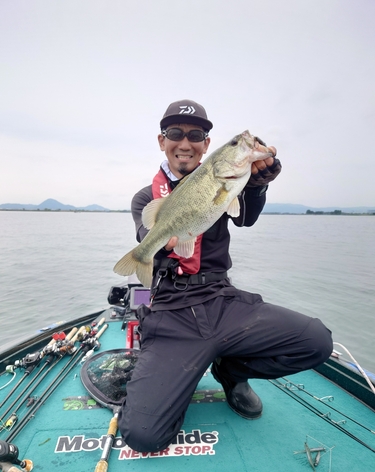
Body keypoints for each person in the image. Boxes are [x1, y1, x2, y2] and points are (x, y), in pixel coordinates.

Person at [118, 99, 333, 452]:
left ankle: (230, 372)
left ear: (206, 145)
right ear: (162, 141)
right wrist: (158, 242)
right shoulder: (146, 197)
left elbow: (245, 216)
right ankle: (177, 376)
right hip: (172, 310)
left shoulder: (228, 178)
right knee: (143, 435)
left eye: (196, 135)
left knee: (316, 341)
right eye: (175, 134)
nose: (184, 143)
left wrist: (257, 184)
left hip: (222, 300)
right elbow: (145, 236)